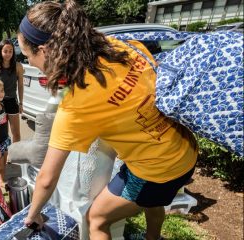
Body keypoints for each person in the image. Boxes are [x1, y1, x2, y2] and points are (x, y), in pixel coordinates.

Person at [18, 1, 198, 240]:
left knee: (97, 219)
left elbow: (47, 178)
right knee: (152, 203)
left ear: (45, 50)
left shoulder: (77, 103)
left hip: (157, 170)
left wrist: (33, 215)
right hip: (186, 150)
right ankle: (153, 238)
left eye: (27, 55)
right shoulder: (116, 47)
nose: (28, 62)